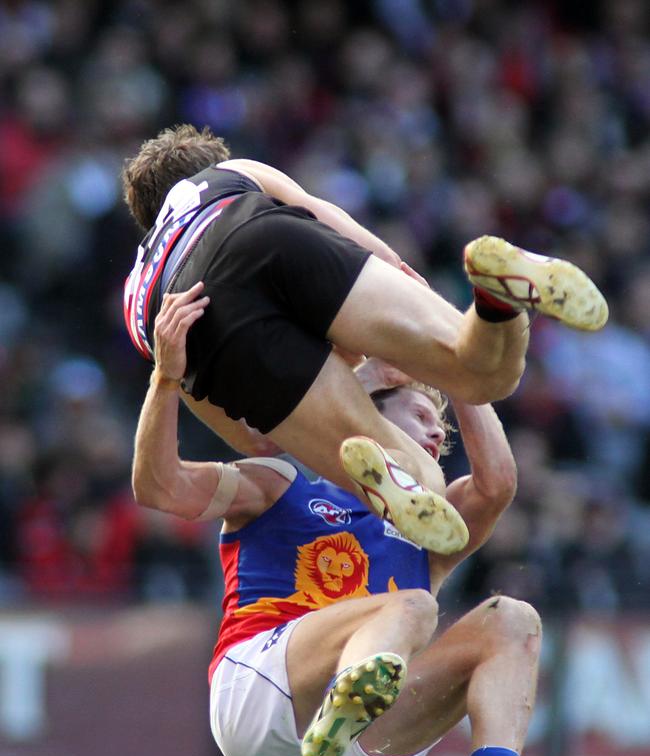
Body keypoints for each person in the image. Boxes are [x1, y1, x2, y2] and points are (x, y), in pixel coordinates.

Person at [131, 291, 580, 756]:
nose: (437, 435)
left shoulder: (432, 524)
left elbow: (496, 484)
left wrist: (462, 375)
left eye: (441, 427)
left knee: (512, 619)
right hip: (262, 703)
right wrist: (166, 379)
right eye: (421, 414)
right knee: (413, 606)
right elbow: (158, 487)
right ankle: (351, 691)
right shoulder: (282, 481)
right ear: (370, 414)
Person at [121, 123, 608, 555]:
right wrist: (412, 320)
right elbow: (354, 238)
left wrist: (168, 377)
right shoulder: (230, 175)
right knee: (486, 373)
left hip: (191, 313)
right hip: (259, 230)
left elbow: (257, 439)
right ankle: (495, 298)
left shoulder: (136, 292)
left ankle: (375, 458)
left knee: (425, 485)